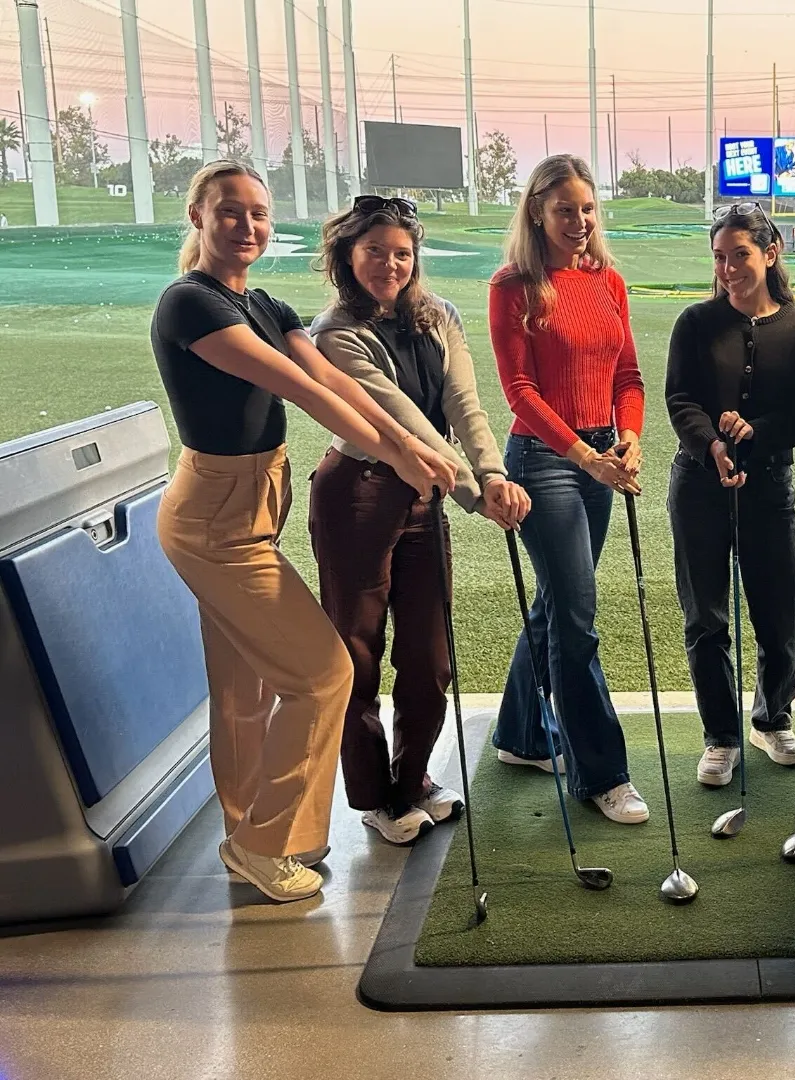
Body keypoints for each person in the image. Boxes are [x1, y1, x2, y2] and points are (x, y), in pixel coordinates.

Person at [151, 161, 456, 902]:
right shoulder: (191, 304)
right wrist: (400, 454)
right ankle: (265, 844)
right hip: (213, 523)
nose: (248, 225)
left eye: (258, 213)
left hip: (249, 510)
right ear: (198, 215)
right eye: (231, 211)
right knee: (323, 673)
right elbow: (306, 391)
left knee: (243, 691)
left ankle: (255, 833)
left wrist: (411, 445)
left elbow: (339, 379)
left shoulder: (262, 301)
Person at [308, 195, 531, 846]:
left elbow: (463, 404)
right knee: (358, 651)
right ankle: (377, 797)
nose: (390, 264)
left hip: (425, 494)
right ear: (348, 256)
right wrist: (475, 491)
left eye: (402, 252)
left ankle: (414, 782)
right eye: (375, 250)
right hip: (360, 492)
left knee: (429, 655)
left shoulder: (441, 317)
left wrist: (492, 473)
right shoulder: (334, 333)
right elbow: (402, 423)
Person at [488, 154, 650, 825]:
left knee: (556, 603)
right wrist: (586, 456)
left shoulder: (608, 279)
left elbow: (630, 375)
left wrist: (629, 437)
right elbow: (519, 391)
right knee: (578, 618)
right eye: (564, 210)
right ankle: (601, 774)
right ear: (537, 212)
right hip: (544, 459)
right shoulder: (514, 285)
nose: (579, 221)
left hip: (600, 456)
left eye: (587, 209)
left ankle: (522, 737)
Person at [665, 202, 795, 785]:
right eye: (720, 257)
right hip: (700, 485)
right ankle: (721, 734)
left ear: (771, 252)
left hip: (768, 486)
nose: (729, 268)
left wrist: (756, 435)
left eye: (741, 255)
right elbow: (681, 399)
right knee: (705, 615)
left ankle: (771, 717)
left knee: (780, 611)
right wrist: (715, 445)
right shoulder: (695, 323)